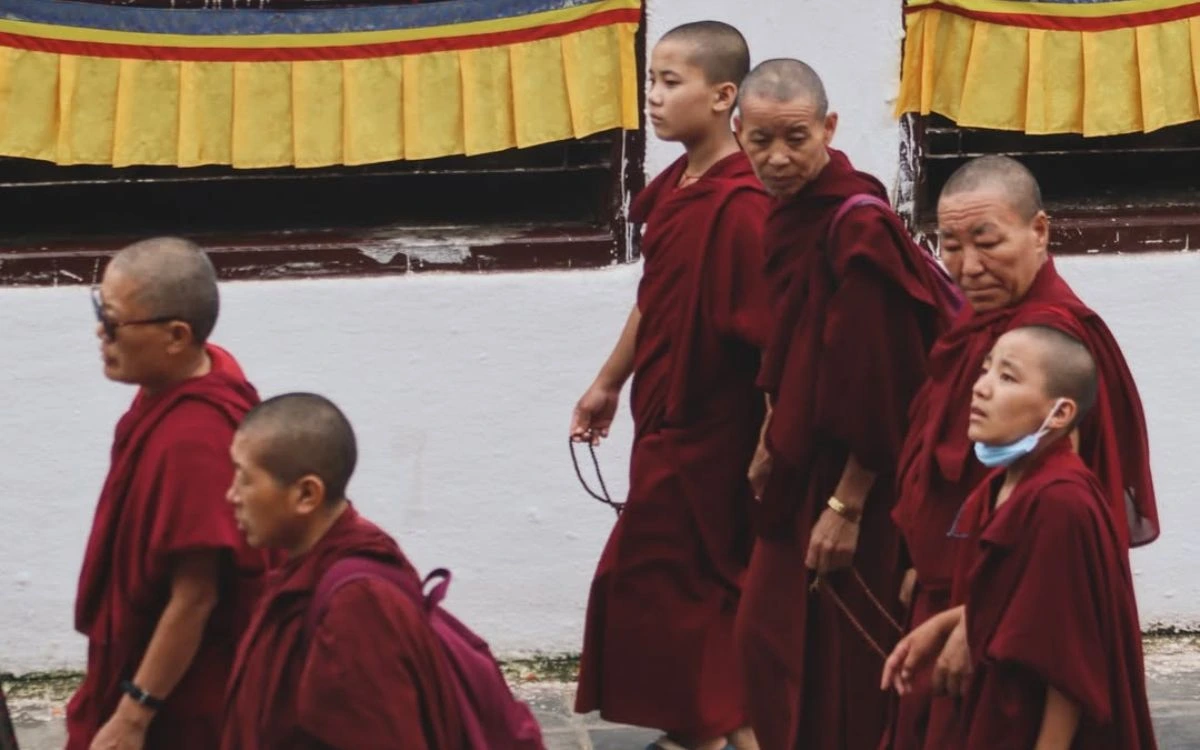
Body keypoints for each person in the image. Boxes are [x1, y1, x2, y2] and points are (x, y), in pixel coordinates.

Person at [882, 155, 1157, 750]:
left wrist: (973, 621)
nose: (967, 266)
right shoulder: (985, 335)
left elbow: (1073, 509)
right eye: (949, 245)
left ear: (1039, 231)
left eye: (987, 242)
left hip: (1023, 623)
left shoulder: (1055, 340)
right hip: (961, 601)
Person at [731, 59, 952, 750]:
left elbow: (883, 383)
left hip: (855, 479)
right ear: (737, 134)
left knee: (843, 669)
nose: (777, 157)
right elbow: (794, 342)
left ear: (829, 127)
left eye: (795, 137)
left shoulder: (859, 227)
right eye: (760, 140)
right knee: (771, 646)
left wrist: (847, 505)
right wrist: (771, 432)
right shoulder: (793, 215)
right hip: (802, 465)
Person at [570, 20, 770, 750]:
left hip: (716, 435)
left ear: (723, 97)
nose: (651, 99)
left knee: (677, 584)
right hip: (665, 421)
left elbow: (769, 342)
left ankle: (717, 733)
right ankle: (713, 732)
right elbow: (656, 296)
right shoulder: (678, 190)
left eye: (669, 82)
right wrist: (607, 384)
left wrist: (771, 444)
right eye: (650, 80)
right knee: (681, 591)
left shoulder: (744, 204)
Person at [68, 238, 274, 750]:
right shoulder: (200, 374)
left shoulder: (194, 440)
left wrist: (133, 715)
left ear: (177, 336)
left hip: (184, 699)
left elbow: (196, 596)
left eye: (113, 322)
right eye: (100, 310)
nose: (101, 333)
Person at [221, 393, 463, 750]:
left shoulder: (357, 606)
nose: (232, 495)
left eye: (245, 479)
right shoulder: (310, 562)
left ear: (306, 495)